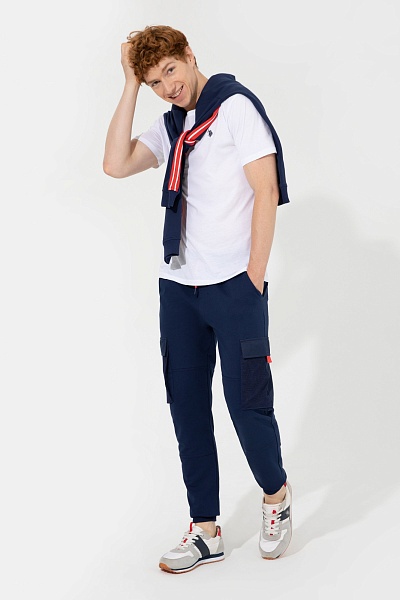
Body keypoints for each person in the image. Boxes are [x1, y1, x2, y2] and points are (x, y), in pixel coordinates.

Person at [103, 24, 292, 574]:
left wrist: (254, 276)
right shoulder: (171, 126)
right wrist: (129, 85)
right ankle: (205, 529)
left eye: (170, 71)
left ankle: (276, 496)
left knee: (247, 403)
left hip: (234, 285)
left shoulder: (234, 108)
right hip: (179, 289)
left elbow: (266, 189)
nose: (168, 87)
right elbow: (115, 164)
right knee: (186, 407)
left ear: (189, 55)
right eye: (154, 81)